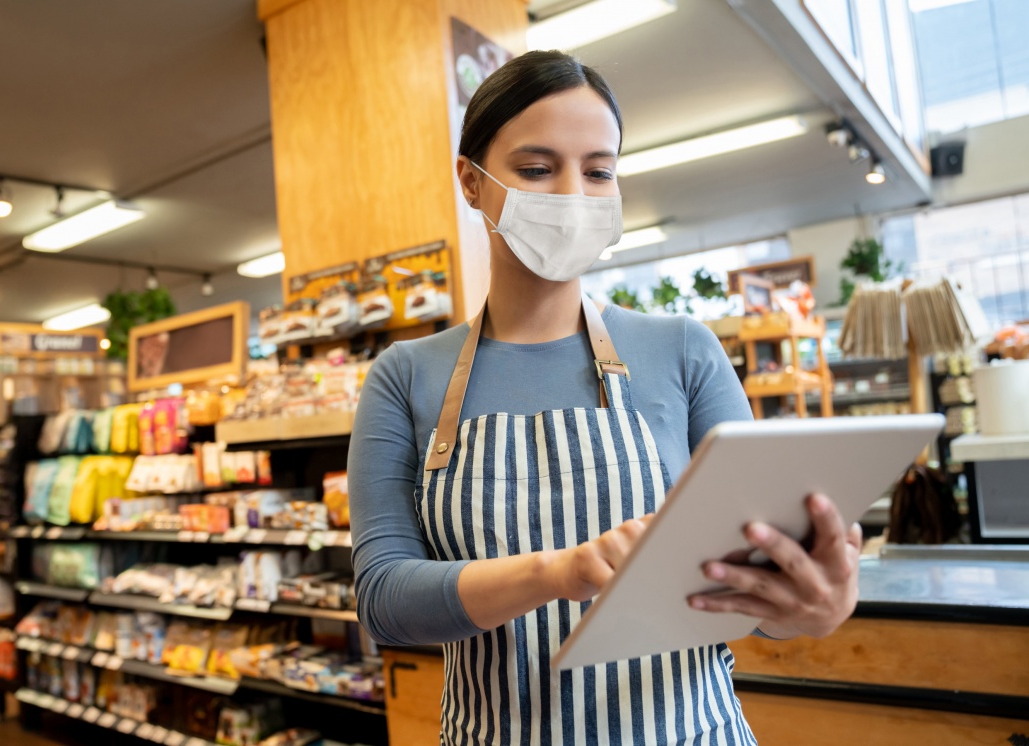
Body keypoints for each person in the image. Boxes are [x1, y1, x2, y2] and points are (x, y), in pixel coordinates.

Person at [348, 50, 861, 746]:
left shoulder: (683, 350)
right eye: (536, 169)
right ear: (471, 181)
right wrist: (554, 572)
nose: (573, 196)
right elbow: (385, 600)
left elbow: (751, 586)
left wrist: (813, 607)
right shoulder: (405, 376)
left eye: (598, 171)